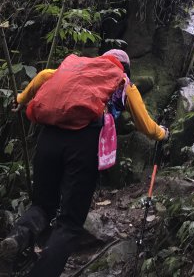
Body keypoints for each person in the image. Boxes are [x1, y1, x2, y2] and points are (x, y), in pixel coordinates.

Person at [0, 49, 168, 277]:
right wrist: (162, 134)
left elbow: (41, 77)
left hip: (49, 137)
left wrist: (21, 99)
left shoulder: (76, 68)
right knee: (70, 222)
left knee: (42, 205)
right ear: (125, 68)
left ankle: (17, 237)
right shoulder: (121, 81)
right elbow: (145, 125)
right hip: (83, 143)